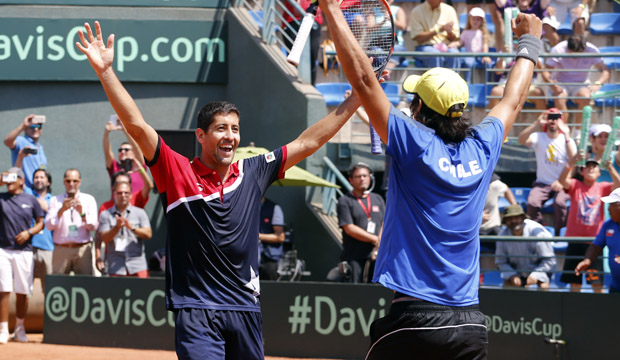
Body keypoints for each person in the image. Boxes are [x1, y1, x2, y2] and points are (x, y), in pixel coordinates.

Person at [77, 20, 364, 359]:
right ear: (201, 136)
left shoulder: (254, 169)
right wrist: (107, 72)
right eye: (221, 129)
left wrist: (356, 100)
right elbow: (137, 126)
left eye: (235, 129)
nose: (230, 135)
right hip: (197, 310)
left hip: (245, 308)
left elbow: (309, 141)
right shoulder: (177, 170)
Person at [320, 0, 543, 355]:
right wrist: (530, 42)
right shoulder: (482, 147)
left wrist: (330, 7)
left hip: (413, 320)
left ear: (419, 108)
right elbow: (513, 101)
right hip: (469, 323)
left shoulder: (414, 142)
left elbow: (363, 80)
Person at [557, 155, 620, 292]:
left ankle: (599, 310)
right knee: (574, 282)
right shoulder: (575, 185)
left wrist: (610, 167)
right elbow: (562, 180)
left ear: (599, 172)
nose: (590, 168)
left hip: (594, 242)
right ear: (581, 172)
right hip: (575, 240)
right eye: (587, 166)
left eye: (594, 166)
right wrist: (572, 161)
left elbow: (619, 185)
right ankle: (574, 311)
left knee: (596, 282)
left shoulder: (603, 187)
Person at [0, 167, 44, 344]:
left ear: (21, 181)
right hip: (3, 250)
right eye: (8, 177)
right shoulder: (1, 198)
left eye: (14, 177)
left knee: (22, 291)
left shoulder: (31, 199)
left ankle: (19, 328)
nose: (11, 181)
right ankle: (3, 329)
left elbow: (41, 222)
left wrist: (29, 232)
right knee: (3, 290)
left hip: (24, 251)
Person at [518, 108, 576, 235]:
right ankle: (539, 231)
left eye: (556, 118)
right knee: (532, 203)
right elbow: (521, 140)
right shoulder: (538, 136)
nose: (553, 121)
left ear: (561, 121)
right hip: (542, 183)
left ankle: (558, 232)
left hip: (562, 184)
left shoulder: (566, 140)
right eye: (550, 117)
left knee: (560, 202)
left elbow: (574, 160)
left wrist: (567, 134)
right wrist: (536, 124)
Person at [542, 35, 610, 125]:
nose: (575, 56)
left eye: (578, 53)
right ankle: (563, 131)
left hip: (581, 84)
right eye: (572, 52)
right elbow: (545, 71)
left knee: (586, 97)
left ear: (584, 48)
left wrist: (598, 84)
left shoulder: (592, 50)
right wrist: (552, 84)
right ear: (568, 47)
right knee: (559, 97)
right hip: (561, 83)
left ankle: (578, 134)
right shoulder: (558, 49)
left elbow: (605, 71)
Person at [336, 162, 385, 283]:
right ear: (351, 180)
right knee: (355, 294)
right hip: (354, 257)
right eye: (358, 176)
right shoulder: (345, 201)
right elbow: (349, 228)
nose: (362, 179)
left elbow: (385, 222)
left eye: (365, 176)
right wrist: (374, 239)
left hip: (377, 256)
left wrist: (378, 243)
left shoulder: (378, 199)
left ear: (370, 178)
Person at [46, 169, 98, 276]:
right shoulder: (55, 200)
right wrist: (61, 210)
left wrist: (82, 213)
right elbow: (49, 226)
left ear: (80, 182)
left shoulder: (88, 199)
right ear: (64, 182)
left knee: (85, 284)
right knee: (58, 285)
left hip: (82, 248)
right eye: (68, 181)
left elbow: (93, 226)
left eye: (75, 181)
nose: (71, 184)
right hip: (61, 249)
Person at [98, 182, 152, 277]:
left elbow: (148, 234)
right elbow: (104, 238)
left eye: (126, 193)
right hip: (115, 264)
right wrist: (117, 227)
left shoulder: (140, 213)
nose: (123, 195)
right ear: (114, 194)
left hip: (137, 264)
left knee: (142, 291)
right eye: (119, 193)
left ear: (130, 195)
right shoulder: (105, 214)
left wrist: (132, 227)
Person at [495, 204, 556, 289]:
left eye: (516, 218)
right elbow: (501, 262)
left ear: (523, 218)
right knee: (507, 285)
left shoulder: (536, 232)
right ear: (505, 222)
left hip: (539, 271)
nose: (513, 221)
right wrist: (512, 274)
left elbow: (549, 260)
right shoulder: (502, 235)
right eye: (509, 219)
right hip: (516, 273)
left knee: (543, 285)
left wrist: (536, 274)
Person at [575, 187, 620, 294]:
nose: (608, 209)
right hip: (615, 288)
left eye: (612, 205)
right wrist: (587, 260)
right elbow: (596, 246)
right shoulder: (608, 225)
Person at [103, 118, 152, 197]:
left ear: (133, 153)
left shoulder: (139, 166)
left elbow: (136, 148)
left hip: (136, 207)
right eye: (120, 150)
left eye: (126, 150)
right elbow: (107, 152)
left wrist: (125, 130)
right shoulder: (114, 167)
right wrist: (106, 133)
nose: (122, 151)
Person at [24, 169, 54, 293]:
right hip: (27, 247)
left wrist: (31, 200)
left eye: (42, 177)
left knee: (49, 288)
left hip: (48, 248)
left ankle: (49, 313)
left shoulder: (54, 200)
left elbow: (49, 208)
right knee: (24, 287)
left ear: (48, 182)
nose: (39, 180)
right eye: (36, 177)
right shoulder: (27, 195)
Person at [408, 0, 461, 70]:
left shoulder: (450, 10)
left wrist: (449, 32)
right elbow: (418, 38)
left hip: (447, 46)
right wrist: (439, 30)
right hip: (425, 47)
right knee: (434, 54)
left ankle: (451, 81)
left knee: (454, 53)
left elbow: (454, 39)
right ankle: (435, 81)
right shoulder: (417, 11)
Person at [282, 0, 323, 85]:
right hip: (292, 21)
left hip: (314, 21)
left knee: (311, 59)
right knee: (295, 64)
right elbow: (296, 10)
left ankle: (311, 86)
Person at [3, 115, 48, 189]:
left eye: (39, 126)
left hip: (39, 191)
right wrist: (22, 126)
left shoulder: (40, 147)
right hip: (24, 190)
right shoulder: (21, 141)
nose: (36, 129)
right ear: (25, 129)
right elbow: (7, 142)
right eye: (32, 126)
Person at [450, 7, 493, 83]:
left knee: (487, 63)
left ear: (482, 21)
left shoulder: (483, 32)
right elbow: (460, 42)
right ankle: (467, 83)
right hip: (469, 55)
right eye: (473, 19)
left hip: (480, 55)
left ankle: (487, 84)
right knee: (468, 63)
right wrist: (454, 44)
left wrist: (485, 55)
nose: (475, 21)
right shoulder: (465, 32)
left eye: (478, 19)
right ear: (469, 19)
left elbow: (485, 44)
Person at [480, 172, 517, 237]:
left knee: (506, 239)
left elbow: (506, 189)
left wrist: (515, 207)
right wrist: (477, 218)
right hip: (472, 228)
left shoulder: (494, 184)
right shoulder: (465, 191)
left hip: (493, 227)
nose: (489, 183)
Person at [258, 197, 286, 281]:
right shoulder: (244, 206)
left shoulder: (274, 208)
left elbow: (280, 237)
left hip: (269, 257)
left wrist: (259, 236)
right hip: (247, 257)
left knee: (269, 289)